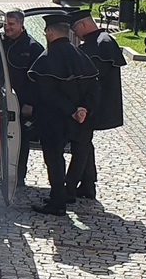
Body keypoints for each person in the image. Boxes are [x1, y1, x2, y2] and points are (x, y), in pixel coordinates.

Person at [27, 14, 100, 216]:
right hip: (80, 120)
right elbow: (94, 88)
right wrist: (84, 109)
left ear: (50, 32)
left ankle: (58, 201)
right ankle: (69, 191)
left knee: (54, 159)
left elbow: (48, 94)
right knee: (80, 153)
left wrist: (72, 111)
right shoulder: (82, 57)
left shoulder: (46, 59)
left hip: (54, 120)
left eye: (46, 32)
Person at [67, 9, 126, 200]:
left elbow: (93, 80)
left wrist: (84, 106)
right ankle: (87, 184)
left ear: (84, 24)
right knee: (84, 144)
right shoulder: (99, 42)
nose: (75, 34)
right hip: (92, 105)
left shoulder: (101, 45)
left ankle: (71, 187)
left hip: (92, 106)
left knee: (81, 145)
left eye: (75, 29)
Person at [2, 10, 45, 187]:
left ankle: (18, 176)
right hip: (0, 99)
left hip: (22, 102)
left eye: (11, 24)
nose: (7, 27)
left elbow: (39, 81)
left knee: (20, 139)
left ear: (21, 24)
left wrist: (30, 103)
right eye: (5, 24)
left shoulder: (33, 47)